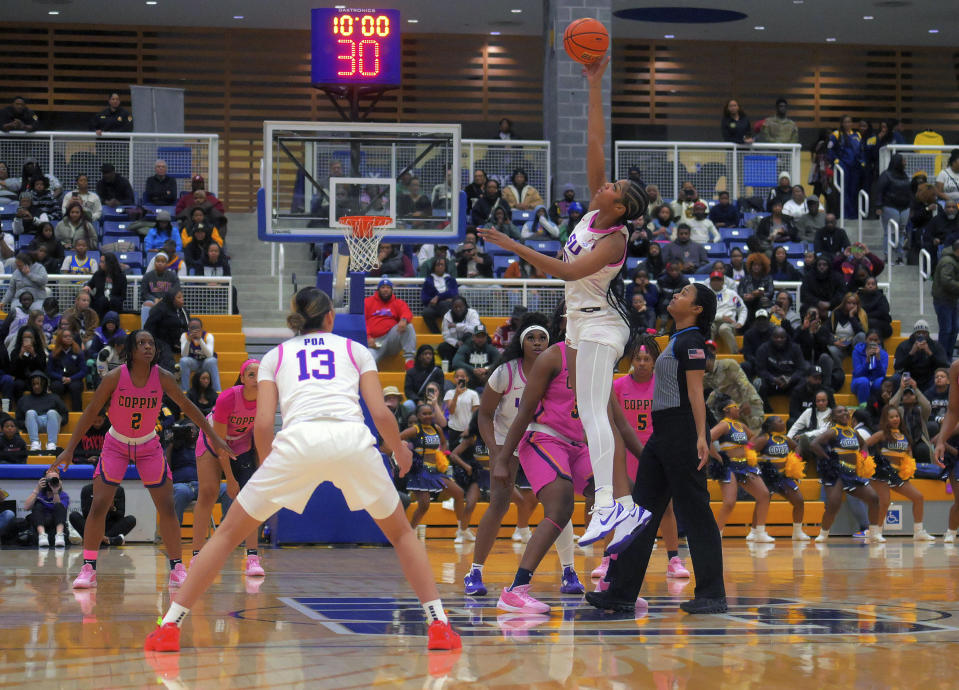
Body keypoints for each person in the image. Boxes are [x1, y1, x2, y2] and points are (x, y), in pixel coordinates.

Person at [146, 288, 461, 651]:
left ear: (295, 319)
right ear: (330, 317)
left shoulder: (275, 356)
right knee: (403, 535)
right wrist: (401, 454)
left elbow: (263, 424)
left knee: (227, 535)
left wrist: (267, 468)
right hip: (351, 440)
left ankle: (170, 627)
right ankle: (438, 625)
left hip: (297, 443)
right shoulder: (355, 350)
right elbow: (379, 413)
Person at [587, 283, 726, 614]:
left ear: (697, 310)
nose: (675, 294)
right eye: (676, 291)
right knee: (640, 514)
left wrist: (700, 437)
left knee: (695, 513)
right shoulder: (676, 339)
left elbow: (696, 393)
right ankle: (620, 592)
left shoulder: (692, 341)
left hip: (682, 432)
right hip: (662, 435)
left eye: (684, 294)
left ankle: (712, 593)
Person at [54, 330, 227, 589]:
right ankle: (88, 568)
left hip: (148, 445)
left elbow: (189, 407)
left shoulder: (164, 378)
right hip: (116, 444)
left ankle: (177, 567)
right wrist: (69, 449)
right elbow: (91, 412)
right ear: (131, 350)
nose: (148, 347)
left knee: (167, 506)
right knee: (99, 504)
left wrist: (212, 434)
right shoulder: (114, 377)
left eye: (151, 343)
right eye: (142, 343)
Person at [493, 336, 596, 613]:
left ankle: (617, 584)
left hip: (579, 444)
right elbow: (525, 410)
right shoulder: (553, 357)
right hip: (544, 437)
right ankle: (515, 590)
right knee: (561, 506)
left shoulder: (598, 357)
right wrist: (503, 458)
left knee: (619, 495)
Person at [464, 312, 561, 595]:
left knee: (558, 505)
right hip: (508, 442)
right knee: (498, 505)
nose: (537, 342)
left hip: (544, 442)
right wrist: (497, 454)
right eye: (531, 337)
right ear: (521, 342)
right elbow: (484, 415)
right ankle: (475, 572)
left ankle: (568, 572)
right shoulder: (505, 372)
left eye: (543, 337)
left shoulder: (557, 373)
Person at [601, 338, 690, 582]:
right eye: (638, 359)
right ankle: (607, 558)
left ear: (654, 363)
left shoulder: (663, 386)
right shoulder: (618, 386)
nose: (641, 363)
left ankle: (674, 560)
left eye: (647, 359)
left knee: (666, 508)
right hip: (627, 452)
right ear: (631, 361)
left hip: (655, 452)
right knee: (619, 506)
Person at [190, 360, 262, 576]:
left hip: (241, 443)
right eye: (251, 375)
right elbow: (220, 443)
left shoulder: (267, 398)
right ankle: (196, 556)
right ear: (242, 378)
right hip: (214, 442)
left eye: (260, 375)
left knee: (252, 497)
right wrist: (230, 479)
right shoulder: (228, 397)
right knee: (208, 493)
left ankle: (252, 557)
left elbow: (260, 433)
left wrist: (261, 466)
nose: (256, 379)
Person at [811, 406, 882, 543]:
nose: (844, 413)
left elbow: (864, 445)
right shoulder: (833, 432)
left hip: (852, 473)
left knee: (873, 498)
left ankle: (874, 533)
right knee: (834, 504)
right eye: (839, 412)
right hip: (837, 473)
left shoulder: (853, 432)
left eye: (845, 411)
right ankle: (823, 534)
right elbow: (814, 444)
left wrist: (864, 457)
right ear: (834, 417)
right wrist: (828, 459)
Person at [865, 404, 935, 542]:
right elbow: (864, 444)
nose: (895, 419)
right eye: (891, 417)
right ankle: (876, 533)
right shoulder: (881, 434)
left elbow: (908, 454)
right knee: (884, 501)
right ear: (886, 419)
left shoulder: (904, 435)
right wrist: (867, 460)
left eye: (896, 416)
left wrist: (907, 465)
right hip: (881, 472)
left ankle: (918, 532)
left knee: (918, 497)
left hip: (897, 474)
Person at [709, 396, 773, 541]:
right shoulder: (724, 425)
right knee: (730, 502)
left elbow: (752, 438)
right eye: (735, 406)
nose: (738, 409)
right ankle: (715, 534)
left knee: (764, 494)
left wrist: (748, 450)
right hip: (729, 466)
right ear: (727, 410)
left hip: (744, 466)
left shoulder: (741, 425)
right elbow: (708, 439)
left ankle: (758, 532)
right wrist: (717, 457)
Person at [394, 401, 464, 528]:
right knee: (424, 505)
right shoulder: (414, 430)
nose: (428, 416)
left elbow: (443, 443)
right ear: (418, 416)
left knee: (458, 493)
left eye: (430, 413)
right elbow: (396, 439)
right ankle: (411, 531)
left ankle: (462, 530)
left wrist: (440, 455)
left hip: (435, 470)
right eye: (424, 414)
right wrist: (404, 453)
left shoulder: (436, 428)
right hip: (420, 471)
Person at [751, 416, 809, 541]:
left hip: (783, 477)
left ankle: (797, 532)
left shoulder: (785, 439)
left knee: (799, 501)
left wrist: (795, 459)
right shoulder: (765, 439)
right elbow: (749, 451)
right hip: (767, 477)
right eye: (779, 421)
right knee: (762, 503)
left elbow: (797, 447)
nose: (783, 422)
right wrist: (756, 465)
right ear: (771, 426)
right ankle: (754, 531)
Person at [448, 411, 489, 544]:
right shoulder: (471, 438)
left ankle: (521, 528)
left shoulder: (497, 435)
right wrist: (467, 467)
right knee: (470, 504)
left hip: (494, 475)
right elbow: (453, 455)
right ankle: (462, 531)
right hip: (479, 475)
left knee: (516, 500)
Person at [363, 279, 416, 368]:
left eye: (388, 287)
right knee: (368, 361)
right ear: (378, 290)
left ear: (392, 290)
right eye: (383, 287)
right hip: (375, 342)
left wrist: (404, 319)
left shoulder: (398, 302)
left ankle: (409, 361)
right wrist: (367, 337)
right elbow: (362, 321)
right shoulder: (367, 302)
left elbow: (406, 312)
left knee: (409, 326)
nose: (385, 290)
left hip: (391, 340)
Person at [69, 483, 136, 546]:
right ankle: (111, 540)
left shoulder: (118, 490)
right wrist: (99, 505)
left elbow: (120, 515)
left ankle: (99, 540)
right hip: (93, 526)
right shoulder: (87, 489)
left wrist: (112, 509)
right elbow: (86, 514)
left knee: (131, 519)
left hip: (111, 527)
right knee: (73, 516)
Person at [894, 319, 949, 391]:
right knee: (895, 378)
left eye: (924, 333)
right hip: (909, 376)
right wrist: (911, 354)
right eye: (918, 333)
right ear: (914, 334)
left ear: (928, 334)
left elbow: (944, 365)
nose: (921, 335)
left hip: (929, 378)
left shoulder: (936, 346)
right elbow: (897, 367)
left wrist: (929, 353)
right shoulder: (903, 346)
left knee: (942, 377)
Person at [145, 288, 189, 371]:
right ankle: (169, 376)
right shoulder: (159, 309)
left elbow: (187, 327)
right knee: (166, 357)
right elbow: (148, 328)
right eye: (179, 297)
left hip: (178, 342)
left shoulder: (183, 311)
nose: (182, 299)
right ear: (171, 299)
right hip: (160, 340)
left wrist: (181, 341)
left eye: (182, 297)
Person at [754, 327, 806, 398]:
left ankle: (795, 408)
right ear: (771, 337)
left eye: (782, 337)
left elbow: (801, 369)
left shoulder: (795, 348)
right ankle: (765, 408)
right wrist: (773, 379)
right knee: (758, 382)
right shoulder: (763, 348)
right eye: (776, 337)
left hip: (790, 382)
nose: (779, 340)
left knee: (804, 382)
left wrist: (790, 379)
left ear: (786, 337)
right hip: (771, 382)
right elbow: (760, 370)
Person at [25, 469, 68, 548]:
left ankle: (59, 535)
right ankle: (42, 535)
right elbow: (26, 507)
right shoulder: (39, 494)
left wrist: (55, 492)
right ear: (44, 480)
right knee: (38, 505)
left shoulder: (63, 495)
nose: (51, 482)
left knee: (59, 505)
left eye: (55, 479)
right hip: (40, 521)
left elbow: (61, 510)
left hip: (55, 522)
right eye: (49, 479)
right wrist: (37, 489)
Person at [707, 270, 746, 353]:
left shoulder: (732, 294)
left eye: (718, 280)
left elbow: (742, 309)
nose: (716, 282)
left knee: (723, 328)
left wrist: (740, 322)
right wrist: (721, 317)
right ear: (710, 281)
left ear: (723, 281)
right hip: (712, 322)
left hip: (729, 324)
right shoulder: (706, 295)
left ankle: (735, 353)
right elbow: (705, 313)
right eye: (713, 280)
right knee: (709, 327)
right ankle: (708, 355)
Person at [48, 329, 87, 412]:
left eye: (70, 336)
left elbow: (83, 371)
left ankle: (77, 412)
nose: (68, 338)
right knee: (56, 386)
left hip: (74, 379)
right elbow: (50, 371)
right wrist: (61, 378)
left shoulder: (78, 352)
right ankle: (57, 412)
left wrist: (71, 379)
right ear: (60, 339)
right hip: (59, 379)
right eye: (65, 336)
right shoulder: (54, 354)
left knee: (75, 387)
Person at [451, 325, 500, 389]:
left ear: (486, 337)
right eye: (478, 336)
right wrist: (473, 370)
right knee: (460, 372)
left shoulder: (491, 348)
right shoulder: (465, 347)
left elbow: (499, 362)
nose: (480, 339)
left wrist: (486, 369)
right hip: (470, 377)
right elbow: (456, 362)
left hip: (486, 377)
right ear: (473, 337)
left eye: (483, 336)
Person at [179, 317, 220, 392]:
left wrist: (200, 340)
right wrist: (188, 341)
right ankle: (185, 391)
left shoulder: (208, 336)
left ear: (201, 328)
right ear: (188, 328)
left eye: (197, 328)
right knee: (183, 361)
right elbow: (184, 355)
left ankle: (217, 392)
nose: (194, 330)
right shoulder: (184, 336)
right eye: (192, 328)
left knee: (212, 361)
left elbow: (209, 355)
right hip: (193, 362)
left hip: (205, 363)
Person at [444, 367, 480, 450]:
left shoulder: (473, 394)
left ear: (467, 379)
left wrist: (469, 428)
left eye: (462, 376)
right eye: (457, 376)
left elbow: (475, 415)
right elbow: (451, 411)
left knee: (467, 455)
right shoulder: (450, 393)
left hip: (468, 430)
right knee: (453, 455)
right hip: (453, 430)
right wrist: (456, 394)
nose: (460, 378)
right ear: (454, 379)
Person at [140, 252, 180, 325]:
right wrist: (154, 299)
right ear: (154, 263)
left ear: (167, 264)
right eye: (158, 261)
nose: (160, 263)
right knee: (147, 304)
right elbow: (144, 293)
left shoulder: (173, 276)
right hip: (153, 302)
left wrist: (165, 299)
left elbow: (176, 291)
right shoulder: (147, 276)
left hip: (168, 302)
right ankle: (144, 330)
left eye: (162, 261)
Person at [438, 296, 481, 363]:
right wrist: (456, 343)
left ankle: (468, 364)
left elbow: (476, 329)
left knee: (468, 336)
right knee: (442, 347)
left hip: (469, 343)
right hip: (455, 344)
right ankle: (450, 367)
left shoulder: (472, 313)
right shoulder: (447, 316)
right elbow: (446, 335)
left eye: (461, 306)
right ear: (452, 307)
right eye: (455, 307)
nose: (458, 309)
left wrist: (457, 326)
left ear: (465, 306)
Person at [421, 256, 458, 334]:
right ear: (434, 267)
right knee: (426, 312)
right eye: (438, 265)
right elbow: (424, 298)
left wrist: (438, 297)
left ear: (445, 267)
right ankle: (436, 334)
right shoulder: (428, 281)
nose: (440, 267)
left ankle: (449, 332)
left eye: (442, 265)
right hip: (434, 307)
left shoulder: (451, 279)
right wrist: (444, 297)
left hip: (448, 306)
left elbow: (454, 292)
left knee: (443, 304)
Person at [83, 253, 127, 318]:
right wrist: (87, 286)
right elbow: (90, 284)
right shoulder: (98, 274)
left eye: (102, 262)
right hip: (99, 303)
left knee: (109, 301)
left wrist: (111, 299)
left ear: (109, 263)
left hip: (114, 304)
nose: (100, 264)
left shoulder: (121, 277)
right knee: (102, 300)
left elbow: (123, 296)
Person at [851, 330, 888, 404]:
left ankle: (878, 407)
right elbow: (858, 374)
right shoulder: (857, 351)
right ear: (865, 339)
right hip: (859, 382)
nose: (872, 342)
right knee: (864, 381)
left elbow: (882, 375)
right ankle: (864, 408)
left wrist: (877, 360)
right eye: (870, 339)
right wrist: (867, 361)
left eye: (875, 340)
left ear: (879, 341)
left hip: (875, 381)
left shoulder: (883, 354)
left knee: (881, 382)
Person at [404, 345, 445, 409]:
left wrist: (432, 400)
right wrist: (418, 400)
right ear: (419, 356)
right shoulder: (411, 372)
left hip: (434, 400)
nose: (428, 356)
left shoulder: (438, 372)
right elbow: (408, 391)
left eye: (430, 354)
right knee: (407, 404)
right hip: (416, 401)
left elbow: (441, 389)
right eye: (425, 354)